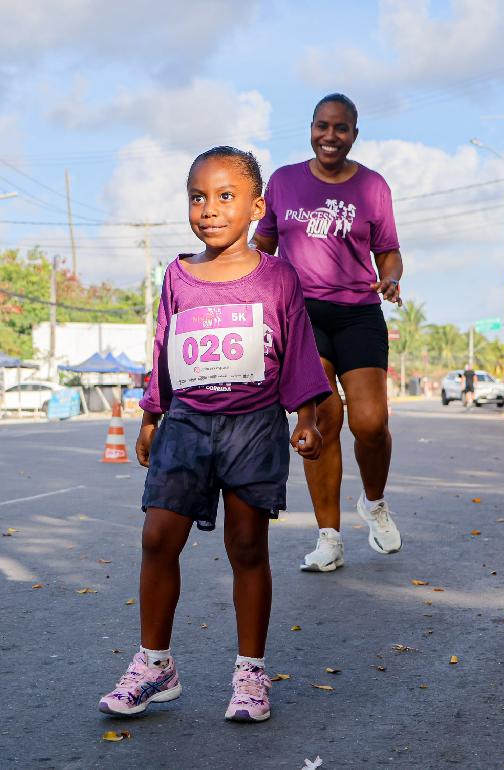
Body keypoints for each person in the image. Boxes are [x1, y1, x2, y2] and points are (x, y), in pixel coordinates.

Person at [99, 146, 331, 723]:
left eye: (225, 196)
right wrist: (152, 417)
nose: (209, 209)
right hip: (186, 426)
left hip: (253, 428)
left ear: (256, 206)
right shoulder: (176, 276)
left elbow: (299, 348)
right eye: (197, 197)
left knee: (247, 548)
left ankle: (250, 674)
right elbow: (162, 353)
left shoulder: (279, 277)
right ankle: (156, 664)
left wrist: (306, 419)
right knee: (157, 537)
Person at [252, 93, 404, 571]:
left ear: (354, 134)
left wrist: (393, 278)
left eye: (340, 128)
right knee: (321, 422)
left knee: (371, 424)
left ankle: (374, 502)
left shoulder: (373, 187)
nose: (330, 136)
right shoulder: (283, 182)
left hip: (359, 312)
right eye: (322, 126)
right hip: (301, 315)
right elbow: (263, 243)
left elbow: (390, 251)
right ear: (311, 128)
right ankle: (329, 538)